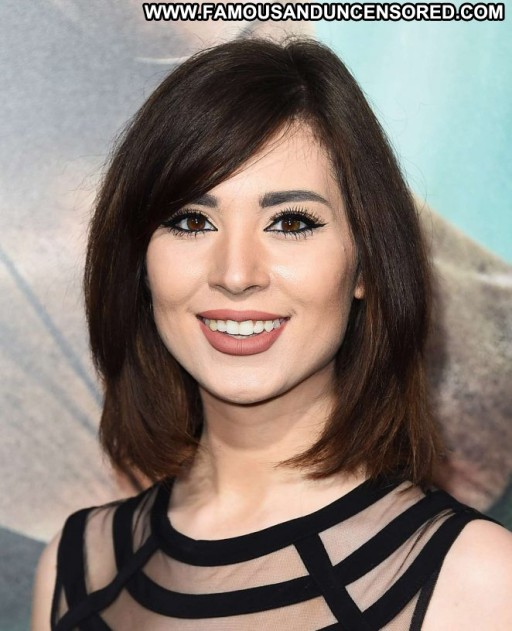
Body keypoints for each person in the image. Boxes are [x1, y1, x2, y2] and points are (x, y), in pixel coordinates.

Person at [31, 36, 512, 630]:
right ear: (141, 264)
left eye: (290, 222)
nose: (236, 274)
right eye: (191, 221)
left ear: (366, 264)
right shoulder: (77, 569)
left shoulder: (473, 581)